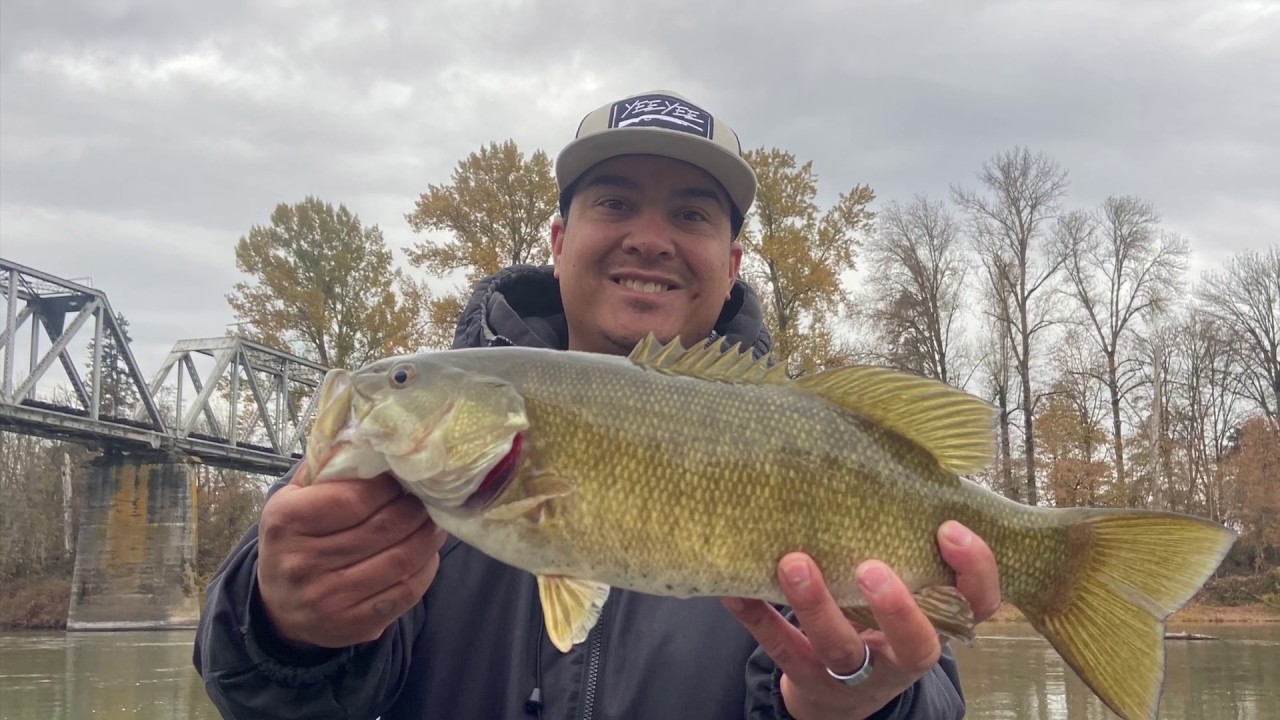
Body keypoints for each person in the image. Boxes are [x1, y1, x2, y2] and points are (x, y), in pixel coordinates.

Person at [193, 89, 1002, 719]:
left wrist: (858, 707)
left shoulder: (808, 434)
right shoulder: (400, 478)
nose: (649, 237)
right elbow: (261, 697)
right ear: (556, 241)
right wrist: (285, 628)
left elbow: (928, 699)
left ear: (732, 263)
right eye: (613, 202)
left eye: (689, 212)